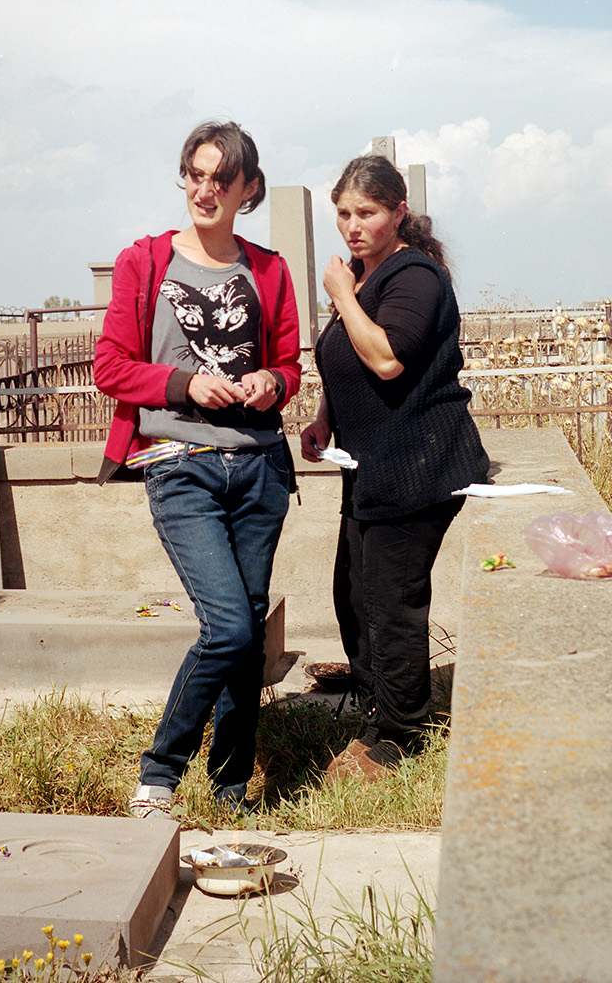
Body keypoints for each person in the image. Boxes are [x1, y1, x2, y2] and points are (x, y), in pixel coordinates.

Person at [95, 121, 302, 818]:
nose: (204, 189)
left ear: (247, 189)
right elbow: (111, 369)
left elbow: (289, 366)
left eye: (220, 178)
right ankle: (159, 774)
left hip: (260, 470)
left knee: (244, 628)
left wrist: (271, 384)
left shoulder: (268, 270)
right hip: (179, 467)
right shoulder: (145, 263)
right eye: (194, 173)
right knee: (231, 629)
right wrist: (187, 385)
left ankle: (233, 787)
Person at [300, 154, 487, 782]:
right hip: (372, 465)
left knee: (391, 601)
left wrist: (341, 296)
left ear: (398, 212)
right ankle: (377, 702)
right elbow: (347, 357)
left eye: (368, 213)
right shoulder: (363, 274)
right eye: (344, 214)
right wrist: (327, 415)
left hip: (418, 466)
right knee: (353, 596)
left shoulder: (416, 277)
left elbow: (384, 360)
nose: (353, 226)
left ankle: (400, 735)